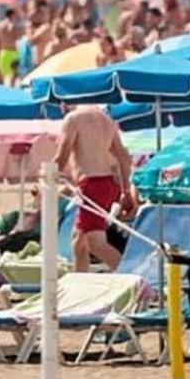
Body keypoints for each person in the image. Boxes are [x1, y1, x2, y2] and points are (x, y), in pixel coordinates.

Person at [54, 105, 134, 272]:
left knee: (95, 243)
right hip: (108, 184)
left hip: (92, 184)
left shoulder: (73, 119)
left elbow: (61, 158)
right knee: (79, 242)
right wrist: (126, 192)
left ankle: (136, 279)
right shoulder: (106, 119)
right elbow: (124, 158)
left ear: (65, 103)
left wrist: (45, 174)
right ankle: (78, 284)